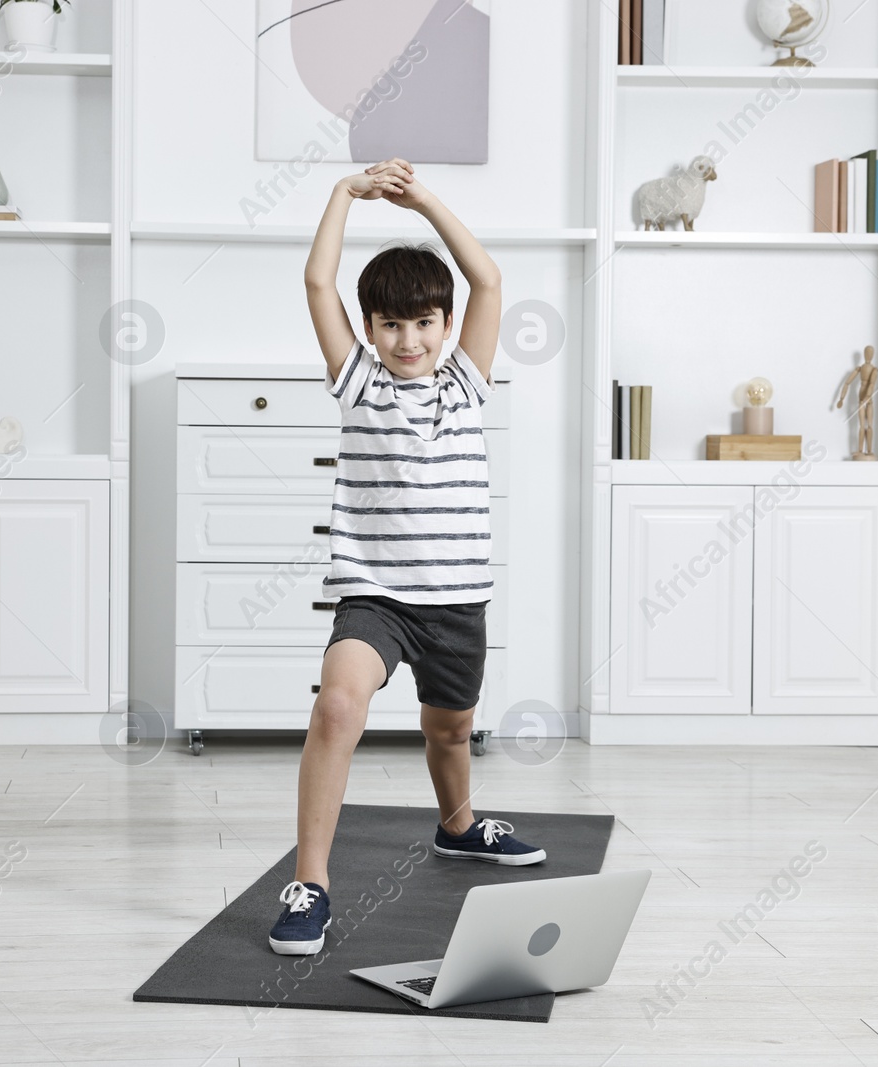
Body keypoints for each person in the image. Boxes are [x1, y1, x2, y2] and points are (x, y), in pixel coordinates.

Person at [269, 158, 546, 956]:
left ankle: (458, 826)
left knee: (450, 732)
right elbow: (319, 283)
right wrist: (342, 195)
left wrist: (421, 199)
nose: (408, 339)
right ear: (371, 330)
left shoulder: (465, 381)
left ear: (445, 325)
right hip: (376, 596)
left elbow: (486, 278)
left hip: (457, 599)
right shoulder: (358, 381)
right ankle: (311, 883)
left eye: (424, 322)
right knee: (337, 706)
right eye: (391, 325)